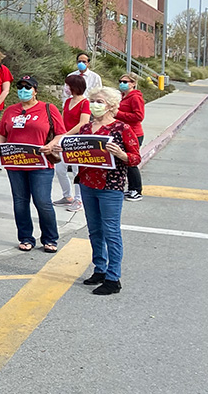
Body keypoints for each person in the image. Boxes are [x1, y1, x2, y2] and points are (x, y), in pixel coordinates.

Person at [66, 87, 139, 295]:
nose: (95, 105)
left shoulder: (121, 128)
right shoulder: (86, 128)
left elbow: (135, 158)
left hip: (111, 186)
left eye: (100, 101)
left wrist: (121, 154)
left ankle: (113, 278)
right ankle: (100, 268)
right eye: (93, 101)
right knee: (94, 229)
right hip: (88, 184)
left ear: (110, 105)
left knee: (111, 231)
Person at [0, 75, 63, 253]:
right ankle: (25, 237)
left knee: (42, 201)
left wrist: (50, 145)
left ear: (35, 91)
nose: (23, 91)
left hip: (41, 165)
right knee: (20, 201)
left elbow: (60, 133)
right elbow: (1, 132)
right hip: (16, 164)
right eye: (20, 87)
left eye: (28, 87)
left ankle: (50, 238)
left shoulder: (48, 108)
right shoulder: (11, 111)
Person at [53, 74, 91, 212]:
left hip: (77, 140)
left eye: (68, 85)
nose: (65, 88)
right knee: (60, 169)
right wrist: (59, 134)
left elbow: (83, 122)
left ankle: (79, 199)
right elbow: (62, 119)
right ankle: (67, 196)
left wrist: (66, 134)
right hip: (64, 139)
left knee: (77, 171)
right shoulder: (68, 101)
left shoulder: (85, 103)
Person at [115, 73, 146, 201]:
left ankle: (137, 190)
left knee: (131, 162)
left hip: (134, 134)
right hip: (123, 132)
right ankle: (131, 188)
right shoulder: (122, 97)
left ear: (133, 83)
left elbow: (139, 117)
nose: (122, 83)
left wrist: (119, 114)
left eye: (125, 81)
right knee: (124, 161)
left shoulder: (135, 98)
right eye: (120, 81)